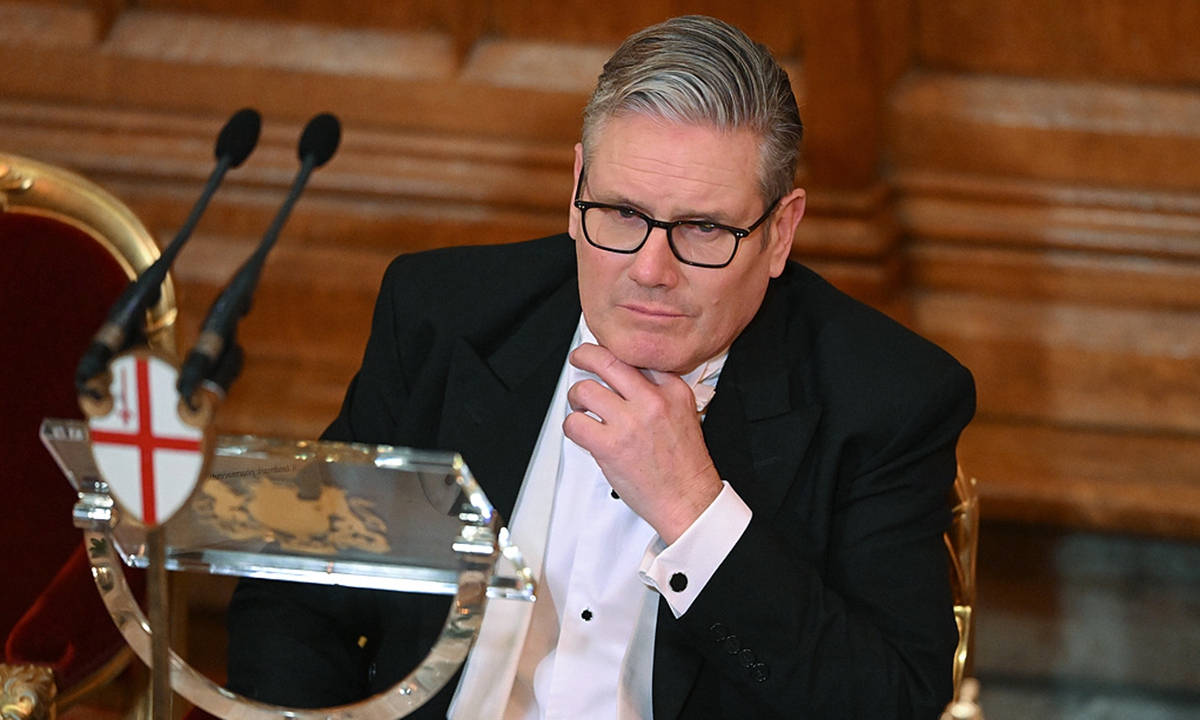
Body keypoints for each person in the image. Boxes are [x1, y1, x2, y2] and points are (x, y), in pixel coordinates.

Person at [226, 14, 975, 720]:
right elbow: (299, 590)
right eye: (620, 213)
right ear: (576, 184)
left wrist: (697, 514)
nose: (650, 269)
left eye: (704, 228)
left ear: (780, 233)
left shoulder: (886, 400)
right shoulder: (441, 317)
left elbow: (890, 701)